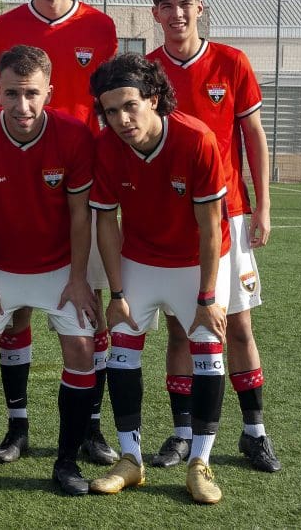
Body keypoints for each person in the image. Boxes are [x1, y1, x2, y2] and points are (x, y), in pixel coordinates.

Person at [0, 0, 119, 465]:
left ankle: (90, 428)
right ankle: (16, 426)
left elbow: (108, 103)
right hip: (17, 183)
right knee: (15, 312)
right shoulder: (4, 26)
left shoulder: (101, 26)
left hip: (82, 183)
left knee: (88, 309)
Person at [0, 45, 99, 496]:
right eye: (12, 93)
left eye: (32, 93)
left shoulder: (74, 136)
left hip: (60, 267)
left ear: (50, 91)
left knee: (81, 350)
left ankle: (67, 462)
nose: (22, 105)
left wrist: (78, 279)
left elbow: (80, 215)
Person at [146, 0, 280, 473]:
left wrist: (262, 206)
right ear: (155, 13)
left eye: (185, 3)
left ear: (200, 7)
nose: (177, 13)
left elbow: (254, 136)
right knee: (181, 328)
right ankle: (183, 433)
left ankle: (254, 432)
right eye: (167, 6)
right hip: (172, 219)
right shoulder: (148, 70)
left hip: (230, 215)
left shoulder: (231, 62)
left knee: (238, 325)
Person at [87, 53, 230, 505]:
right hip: (141, 259)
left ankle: (199, 464)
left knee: (207, 348)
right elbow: (106, 222)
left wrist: (207, 297)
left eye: (130, 106)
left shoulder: (196, 139)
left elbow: (211, 226)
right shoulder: (106, 146)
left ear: (153, 98)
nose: (121, 120)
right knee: (122, 350)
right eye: (111, 111)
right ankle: (130, 460)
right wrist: (117, 293)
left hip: (196, 262)